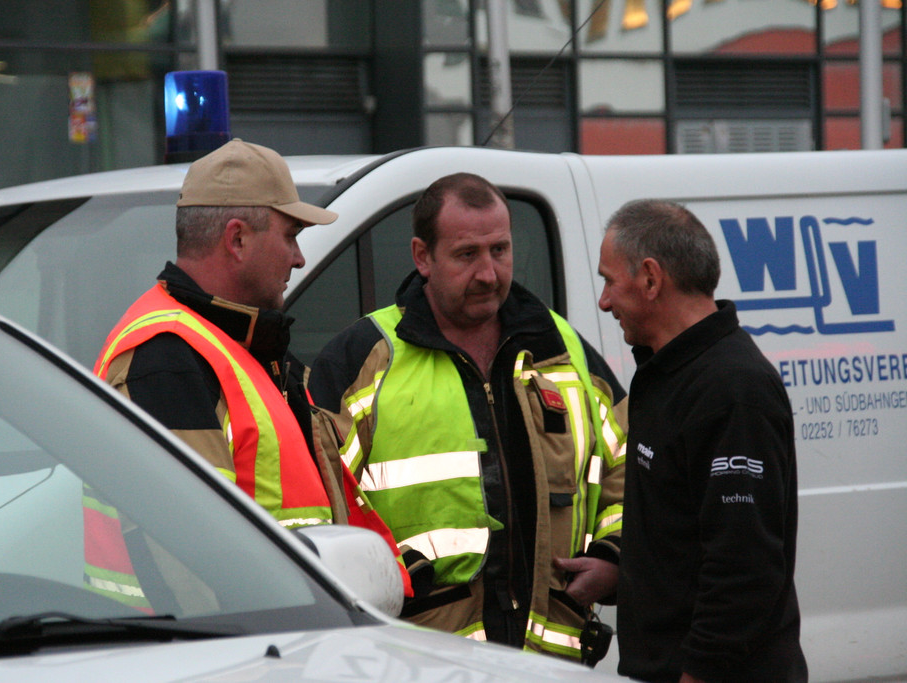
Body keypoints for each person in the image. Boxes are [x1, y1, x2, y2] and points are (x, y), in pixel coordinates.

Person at [309, 172, 627, 664]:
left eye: (500, 250)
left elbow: (632, 462)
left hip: (550, 665)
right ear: (422, 257)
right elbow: (320, 497)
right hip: (421, 661)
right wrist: (397, 573)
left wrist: (614, 556)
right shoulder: (365, 359)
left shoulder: (558, 346)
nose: (488, 274)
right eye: (466, 255)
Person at [89, 139, 408, 605]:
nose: (298, 257)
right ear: (237, 239)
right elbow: (192, 567)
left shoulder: (241, 348)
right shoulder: (166, 358)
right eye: (290, 236)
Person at [597, 199, 807, 683]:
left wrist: (698, 674)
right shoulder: (667, 372)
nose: (604, 302)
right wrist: (618, 575)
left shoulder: (732, 390)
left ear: (651, 279)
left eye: (610, 281)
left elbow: (744, 571)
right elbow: (679, 535)